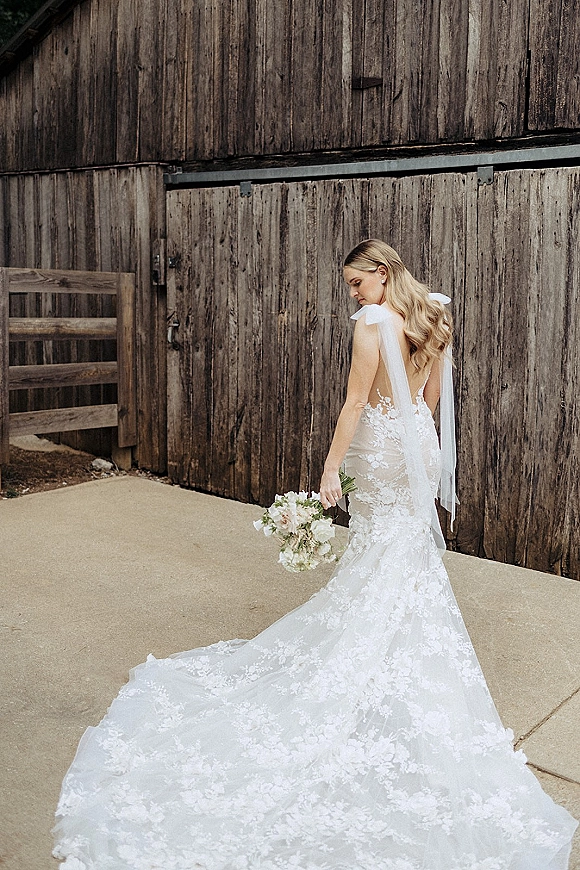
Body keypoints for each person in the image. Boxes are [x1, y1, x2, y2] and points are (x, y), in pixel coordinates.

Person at [53, 239, 577, 869]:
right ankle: (395, 651)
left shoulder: (373, 323)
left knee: (380, 556)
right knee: (401, 560)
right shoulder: (434, 314)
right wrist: (416, 453)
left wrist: (331, 467)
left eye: (357, 283)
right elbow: (430, 405)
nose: (351, 295)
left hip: (379, 452)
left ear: (382, 276)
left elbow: (355, 402)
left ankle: (363, 659)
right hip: (416, 452)